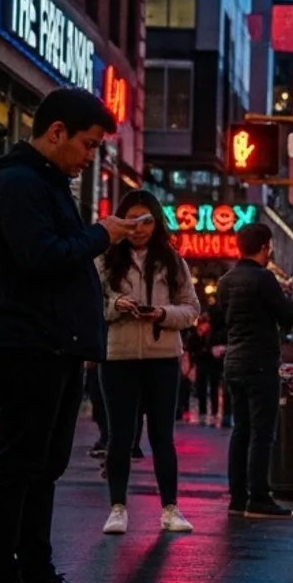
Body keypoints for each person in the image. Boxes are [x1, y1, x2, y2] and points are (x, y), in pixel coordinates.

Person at [0, 88, 138, 583]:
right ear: (56, 133)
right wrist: (100, 235)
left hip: (55, 345)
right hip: (27, 345)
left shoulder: (46, 184)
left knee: (43, 467)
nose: (90, 156)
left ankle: (36, 573)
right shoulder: (18, 184)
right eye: (88, 144)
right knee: (18, 465)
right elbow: (40, 257)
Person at [97, 191, 201, 536]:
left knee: (162, 436)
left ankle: (170, 508)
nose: (139, 228)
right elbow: (92, 303)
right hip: (118, 356)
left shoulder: (172, 261)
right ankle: (117, 508)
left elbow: (191, 309)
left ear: (156, 223)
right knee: (119, 436)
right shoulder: (105, 260)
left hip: (163, 357)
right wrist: (117, 305)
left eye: (146, 221)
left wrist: (162, 314)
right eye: (132, 220)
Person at [208, 223, 293, 519]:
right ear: (265, 246)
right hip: (260, 362)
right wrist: (290, 295)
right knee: (262, 431)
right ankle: (259, 496)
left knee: (241, 430)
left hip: (234, 361)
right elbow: (287, 317)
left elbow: (223, 319)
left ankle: (238, 498)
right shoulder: (264, 278)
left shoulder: (226, 280)